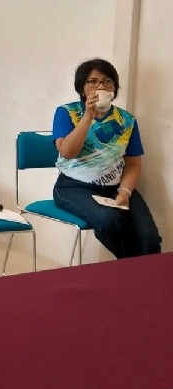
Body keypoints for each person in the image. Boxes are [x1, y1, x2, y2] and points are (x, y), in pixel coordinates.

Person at [52, 58, 162, 259]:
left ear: (114, 88)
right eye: (93, 81)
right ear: (82, 87)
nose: (100, 86)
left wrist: (125, 192)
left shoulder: (127, 120)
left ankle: (141, 271)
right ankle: (138, 271)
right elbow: (67, 152)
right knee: (109, 221)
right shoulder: (67, 112)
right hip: (73, 187)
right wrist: (88, 117)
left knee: (149, 238)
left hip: (115, 187)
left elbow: (133, 164)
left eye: (107, 81)